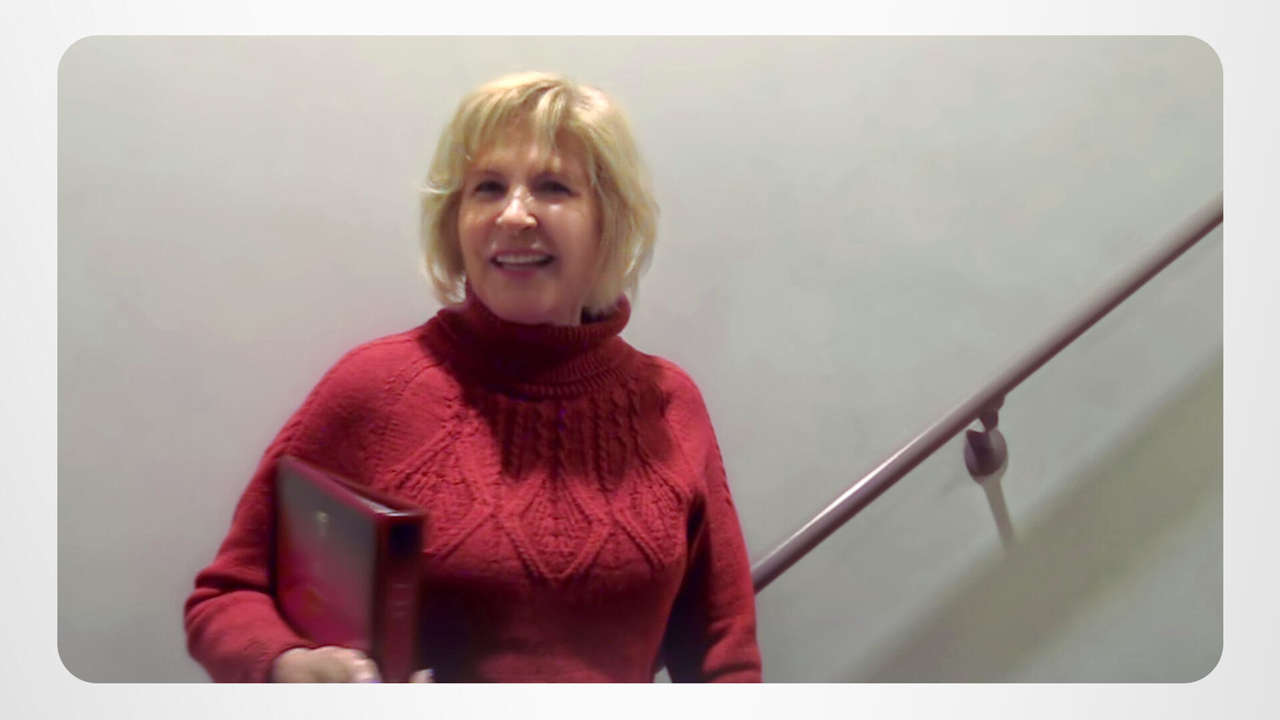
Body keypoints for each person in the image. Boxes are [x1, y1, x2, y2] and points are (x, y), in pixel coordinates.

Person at [183, 71, 762, 683]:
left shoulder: (670, 404)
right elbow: (228, 595)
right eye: (487, 187)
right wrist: (287, 666)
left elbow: (724, 658)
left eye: (553, 187)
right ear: (454, 222)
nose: (514, 215)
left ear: (607, 221)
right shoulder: (376, 390)